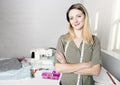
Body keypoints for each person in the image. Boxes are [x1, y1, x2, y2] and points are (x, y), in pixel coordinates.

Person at [54, 3, 102, 85]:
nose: (75, 21)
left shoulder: (94, 40)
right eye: (71, 18)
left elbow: (95, 71)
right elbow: (58, 68)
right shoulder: (63, 39)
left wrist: (66, 65)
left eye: (78, 16)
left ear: (85, 17)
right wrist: (86, 64)